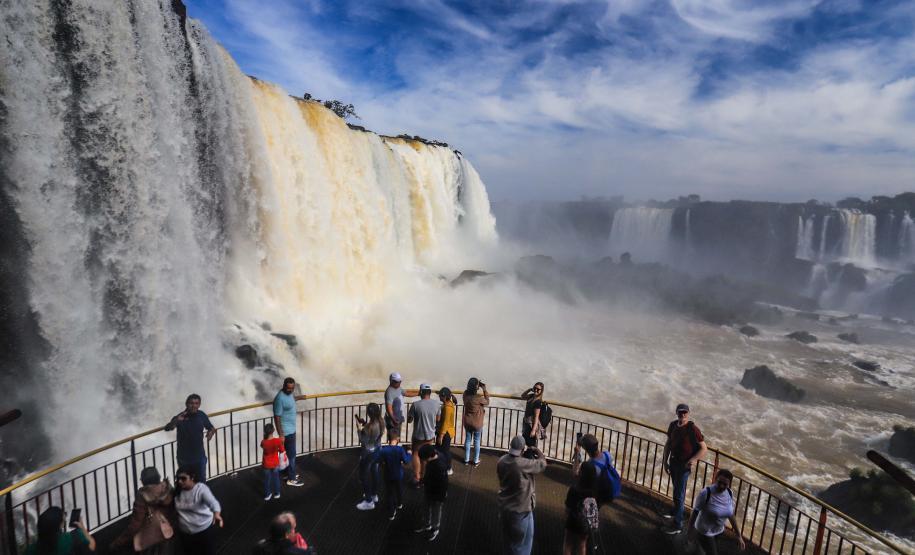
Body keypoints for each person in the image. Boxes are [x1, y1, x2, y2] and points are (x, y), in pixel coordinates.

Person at [661, 403, 707, 535]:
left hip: (683, 466)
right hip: (674, 462)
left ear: (688, 413)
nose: (682, 414)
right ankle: (676, 512)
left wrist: (693, 460)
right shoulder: (673, 425)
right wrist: (665, 461)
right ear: (676, 412)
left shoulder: (693, 429)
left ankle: (678, 524)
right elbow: (668, 444)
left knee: (679, 495)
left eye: (685, 412)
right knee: (676, 491)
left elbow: (704, 448)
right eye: (680, 412)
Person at [497, 435, 547, 555]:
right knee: (519, 546)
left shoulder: (502, 461)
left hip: (506, 508)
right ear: (523, 449)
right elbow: (543, 464)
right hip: (520, 511)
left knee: (510, 542)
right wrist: (537, 451)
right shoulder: (523, 464)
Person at [110, 467, 177, 554]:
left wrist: (118, 542)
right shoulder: (168, 488)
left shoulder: (142, 496)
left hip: (151, 539)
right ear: (158, 477)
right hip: (170, 533)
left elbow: (135, 524)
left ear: (144, 481)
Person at [687, 469, 747, 554]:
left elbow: (731, 515)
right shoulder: (705, 493)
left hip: (718, 531)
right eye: (719, 482)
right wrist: (690, 531)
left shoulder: (729, 493)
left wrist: (739, 536)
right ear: (715, 479)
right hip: (704, 532)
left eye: (725, 484)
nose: (721, 486)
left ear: (729, 484)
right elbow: (694, 512)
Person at [164, 394, 216, 483]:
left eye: (196, 403)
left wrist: (211, 432)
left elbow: (210, 427)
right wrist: (176, 421)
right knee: (186, 483)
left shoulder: (201, 415)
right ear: (186, 404)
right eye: (191, 403)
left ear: (199, 405)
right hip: (184, 459)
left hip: (199, 457)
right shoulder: (180, 417)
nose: (194, 406)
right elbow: (167, 428)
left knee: (201, 483)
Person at [174, 465, 223, 555]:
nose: (180, 481)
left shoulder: (201, 489)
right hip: (186, 534)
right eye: (178, 479)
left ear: (192, 478)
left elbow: (213, 503)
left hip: (203, 531)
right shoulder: (177, 492)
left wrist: (217, 514)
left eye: (183, 478)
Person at [373, 429, 413, 520]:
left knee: (389, 493)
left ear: (388, 439)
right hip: (398, 474)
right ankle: (399, 503)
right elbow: (406, 461)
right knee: (399, 489)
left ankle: (391, 513)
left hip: (388, 475)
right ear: (398, 439)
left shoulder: (384, 450)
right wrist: (409, 454)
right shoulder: (400, 450)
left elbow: (377, 460)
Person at [562, 461, 599, 555]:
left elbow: (568, 508)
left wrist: (565, 518)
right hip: (585, 522)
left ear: (581, 473)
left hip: (573, 520)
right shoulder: (594, 491)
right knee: (582, 545)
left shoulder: (574, 489)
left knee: (568, 544)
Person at [26, 506, 96, 554]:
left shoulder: (30, 551)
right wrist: (82, 527)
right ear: (60, 525)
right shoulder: (74, 537)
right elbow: (92, 544)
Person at [413, 444, 448, 542]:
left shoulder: (438, 466)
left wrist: (442, 495)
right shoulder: (439, 457)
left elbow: (443, 483)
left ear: (428, 457)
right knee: (428, 507)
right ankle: (427, 524)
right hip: (431, 490)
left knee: (435, 510)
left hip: (437, 493)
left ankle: (434, 528)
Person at [407, 384, 441, 483]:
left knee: (416, 454)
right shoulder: (436, 404)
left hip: (418, 435)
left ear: (421, 392)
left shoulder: (416, 404)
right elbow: (438, 419)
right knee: (426, 455)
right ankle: (424, 476)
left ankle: (417, 477)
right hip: (430, 435)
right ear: (430, 393)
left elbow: (410, 420)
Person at [273, 378, 304, 487]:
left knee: (287, 454)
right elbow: (277, 417)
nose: (290, 390)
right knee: (292, 455)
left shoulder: (289, 394)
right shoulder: (279, 398)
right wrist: (281, 434)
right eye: (288, 388)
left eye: (292, 388)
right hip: (286, 432)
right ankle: (291, 479)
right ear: (284, 386)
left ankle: (287, 473)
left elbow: (291, 399)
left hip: (291, 429)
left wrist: (300, 397)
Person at [355, 402, 384, 510]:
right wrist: (365, 424)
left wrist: (359, 429)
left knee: (364, 476)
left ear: (369, 413)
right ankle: (374, 495)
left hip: (368, 452)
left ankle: (368, 501)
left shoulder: (369, 427)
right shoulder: (381, 421)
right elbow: (373, 432)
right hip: (378, 449)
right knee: (375, 471)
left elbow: (363, 440)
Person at [462, 377, 489, 467]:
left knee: (468, 440)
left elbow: (467, 391)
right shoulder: (478, 398)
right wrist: (484, 389)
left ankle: (466, 459)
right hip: (477, 423)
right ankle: (476, 460)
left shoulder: (465, 395)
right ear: (476, 387)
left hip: (467, 421)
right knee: (476, 441)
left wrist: (475, 385)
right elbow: (487, 402)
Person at [383, 373, 418, 441]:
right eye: (396, 381)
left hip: (398, 419)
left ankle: (395, 449)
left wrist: (418, 393)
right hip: (393, 420)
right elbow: (389, 408)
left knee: (397, 438)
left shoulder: (398, 388)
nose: (398, 383)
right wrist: (393, 419)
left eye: (399, 381)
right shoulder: (389, 392)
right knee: (393, 439)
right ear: (391, 381)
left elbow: (407, 393)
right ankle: (393, 451)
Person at [261, 423, 286, 501]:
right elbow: (282, 450)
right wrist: (282, 442)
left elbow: (262, 446)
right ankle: (277, 493)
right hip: (275, 463)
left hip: (266, 464)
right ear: (273, 431)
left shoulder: (263, 442)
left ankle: (267, 495)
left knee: (267, 480)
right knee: (276, 478)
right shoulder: (277, 441)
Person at [436, 387, 457, 475]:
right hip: (448, 431)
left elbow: (445, 423)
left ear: (444, 397)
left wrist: (441, 436)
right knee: (442, 450)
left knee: (445, 451)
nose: (439, 397)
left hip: (446, 432)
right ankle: (442, 466)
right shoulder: (449, 403)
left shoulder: (447, 408)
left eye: (440, 396)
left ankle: (449, 468)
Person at [520, 382, 545, 447]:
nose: (536, 390)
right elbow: (522, 396)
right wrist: (529, 389)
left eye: (538, 389)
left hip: (531, 424)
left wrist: (533, 430)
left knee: (531, 443)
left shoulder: (538, 402)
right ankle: (527, 454)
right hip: (526, 421)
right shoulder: (531, 396)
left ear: (541, 391)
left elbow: (536, 417)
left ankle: (532, 455)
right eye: (535, 388)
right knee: (525, 439)